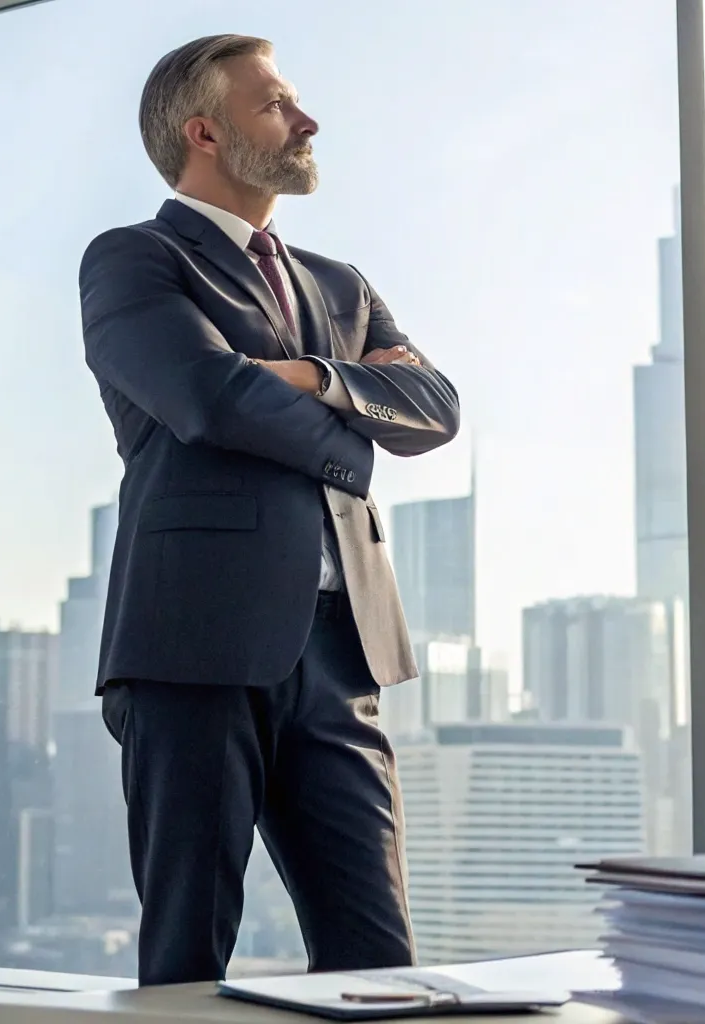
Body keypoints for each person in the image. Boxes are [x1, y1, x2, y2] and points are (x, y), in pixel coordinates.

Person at [77, 33, 460, 985]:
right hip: (193, 649)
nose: (307, 120)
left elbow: (438, 410)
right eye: (276, 104)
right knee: (185, 959)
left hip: (341, 655)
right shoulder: (134, 260)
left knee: (381, 964)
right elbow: (207, 398)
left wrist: (307, 375)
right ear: (203, 133)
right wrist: (354, 426)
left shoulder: (342, 285)